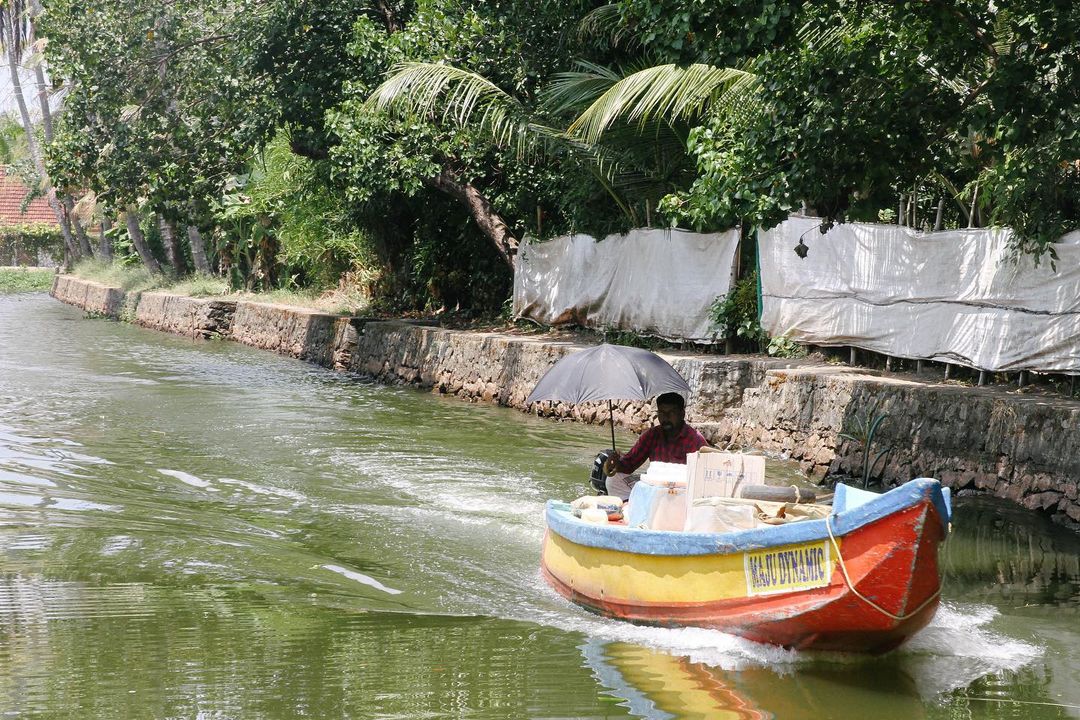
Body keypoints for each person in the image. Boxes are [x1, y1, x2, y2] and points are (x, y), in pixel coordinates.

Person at [603, 391, 708, 499]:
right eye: (661, 413)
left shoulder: (695, 440)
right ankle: (629, 504)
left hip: (681, 492)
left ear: (682, 414)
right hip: (655, 487)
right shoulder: (652, 435)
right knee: (614, 479)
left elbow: (704, 478)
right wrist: (615, 464)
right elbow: (629, 464)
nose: (666, 417)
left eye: (671, 412)